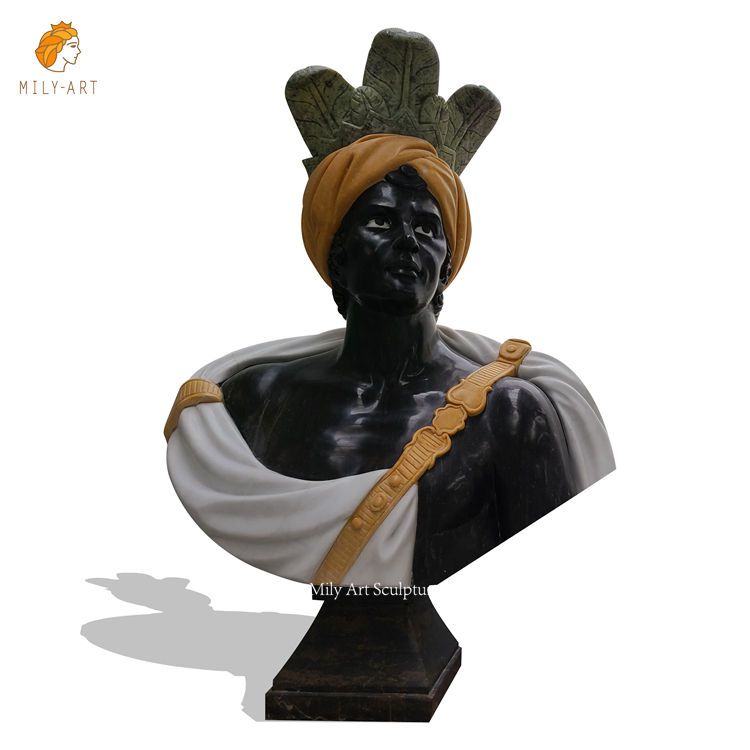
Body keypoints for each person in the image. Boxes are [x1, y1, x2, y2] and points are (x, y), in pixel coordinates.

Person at [165, 134, 615, 587]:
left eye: (428, 228)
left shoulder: (507, 413)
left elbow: (551, 586)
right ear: (338, 256)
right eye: (381, 221)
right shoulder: (255, 400)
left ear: (446, 265)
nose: (407, 242)